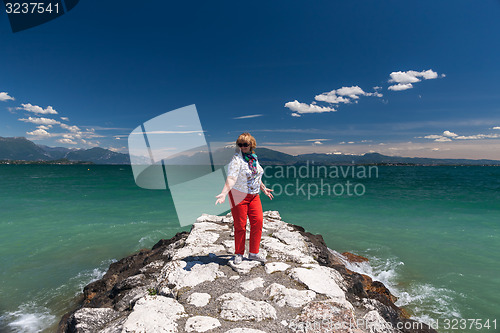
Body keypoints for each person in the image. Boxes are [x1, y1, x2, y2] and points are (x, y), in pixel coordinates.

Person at [215, 132, 274, 265]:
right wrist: (224, 193)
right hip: (238, 195)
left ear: (251, 144)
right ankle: (239, 253)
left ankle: (253, 253)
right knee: (240, 226)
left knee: (258, 222)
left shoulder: (253, 158)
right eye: (240, 144)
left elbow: (256, 175)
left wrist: (263, 188)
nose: (242, 147)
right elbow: (231, 178)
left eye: (245, 144)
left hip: (254, 196)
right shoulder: (236, 160)